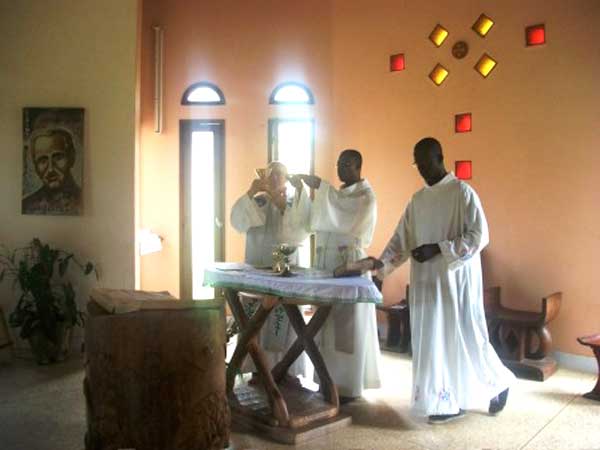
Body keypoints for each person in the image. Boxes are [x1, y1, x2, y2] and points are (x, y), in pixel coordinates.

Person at [368, 137, 514, 424]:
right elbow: (401, 239)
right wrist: (381, 269)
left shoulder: (462, 193)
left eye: (426, 163)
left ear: (440, 157)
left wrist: (438, 248)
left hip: (455, 282)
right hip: (426, 281)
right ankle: (443, 401)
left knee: (467, 336)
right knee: (433, 338)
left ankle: (498, 382)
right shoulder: (418, 200)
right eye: (418, 165)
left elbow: (479, 235)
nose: (422, 170)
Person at [297, 149, 382, 400]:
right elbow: (321, 217)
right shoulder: (337, 194)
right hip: (327, 265)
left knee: (347, 328)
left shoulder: (365, 196)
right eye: (338, 164)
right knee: (326, 325)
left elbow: (342, 215)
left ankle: (347, 386)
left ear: (358, 166)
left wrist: (320, 185)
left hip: (349, 266)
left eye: (346, 164)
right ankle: (326, 380)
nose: (340, 169)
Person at [230, 161, 311, 379]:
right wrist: (251, 192)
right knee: (256, 322)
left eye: (279, 174)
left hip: (283, 271)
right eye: (271, 174)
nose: (274, 178)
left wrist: (282, 206)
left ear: (286, 179)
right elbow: (237, 222)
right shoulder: (258, 201)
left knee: (284, 319)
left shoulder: (294, 202)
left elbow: (300, 231)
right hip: (258, 270)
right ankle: (257, 369)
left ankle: (286, 370)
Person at [22, 128, 82, 215]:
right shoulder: (26, 205)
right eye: (43, 160)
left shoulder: (83, 200)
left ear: (72, 157)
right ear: (35, 166)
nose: (50, 169)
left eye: (58, 157)